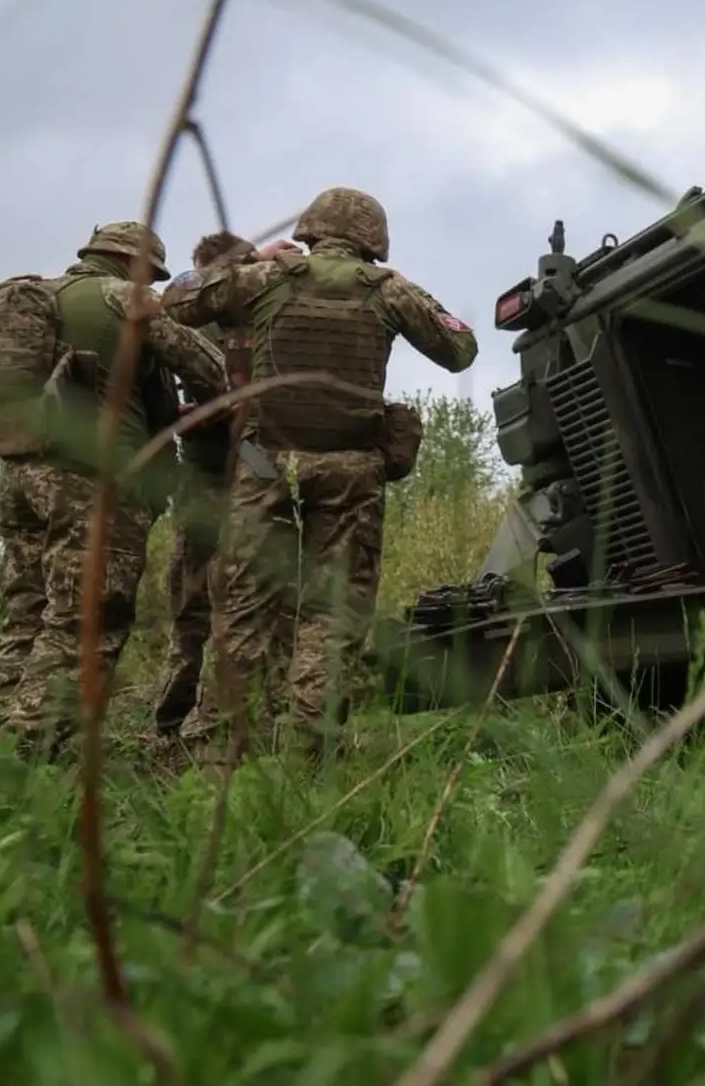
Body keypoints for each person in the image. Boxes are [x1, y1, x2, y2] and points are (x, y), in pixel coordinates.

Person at [160, 187, 477, 759]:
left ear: (308, 229)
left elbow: (175, 299)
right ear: (373, 242)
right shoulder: (388, 291)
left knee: (243, 603)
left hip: (263, 462)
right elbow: (461, 348)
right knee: (333, 611)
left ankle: (216, 750)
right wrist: (410, 291)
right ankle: (310, 745)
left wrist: (248, 261)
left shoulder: (268, 277)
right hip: (351, 467)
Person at [0, 222, 226, 757]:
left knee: (27, 610)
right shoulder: (124, 299)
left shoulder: (40, 294)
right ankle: (25, 753)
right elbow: (208, 365)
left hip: (19, 473)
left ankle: (0, 738)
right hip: (91, 482)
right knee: (86, 619)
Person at [149, 230, 255, 736]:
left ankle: (177, 722)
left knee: (194, 606)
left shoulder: (190, 319)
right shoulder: (259, 311)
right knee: (244, 603)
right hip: (244, 470)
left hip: (221, 470)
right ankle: (211, 719)